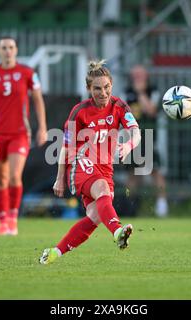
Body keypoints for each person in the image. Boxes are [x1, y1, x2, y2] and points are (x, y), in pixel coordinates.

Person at [39, 60, 141, 265]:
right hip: (80, 164)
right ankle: (118, 232)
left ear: (111, 85)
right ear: (88, 89)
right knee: (102, 189)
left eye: (106, 87)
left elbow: (135, 131)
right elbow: (66, 147)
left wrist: (129, 145)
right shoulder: (79, 112)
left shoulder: (119, 105)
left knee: (95, 216)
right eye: (97, 88)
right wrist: (60, 178)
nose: (103, 93)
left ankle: (53, 253)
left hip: (105, 168)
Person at [0, 36, 48, 236]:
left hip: (19, 133)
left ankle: (13, 219)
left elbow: (38, 100)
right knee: (1, 179)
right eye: (4, 48)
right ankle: (2, 220)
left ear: (16, 50)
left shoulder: (27, 73)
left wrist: (42, 127)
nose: (7, 51)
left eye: (11, 47)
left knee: (15, 176)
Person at [124, 64, 169, 218]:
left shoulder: (153, 91)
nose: (137, 78)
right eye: (135, 76)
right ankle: (129, 207)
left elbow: (151, 110)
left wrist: (140, 93)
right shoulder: (126, 92)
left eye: (140, 75)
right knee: (133, 175)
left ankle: (162, 205)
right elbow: (123, 114)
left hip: (149, 137)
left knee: (155, 172)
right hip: (131, 139)